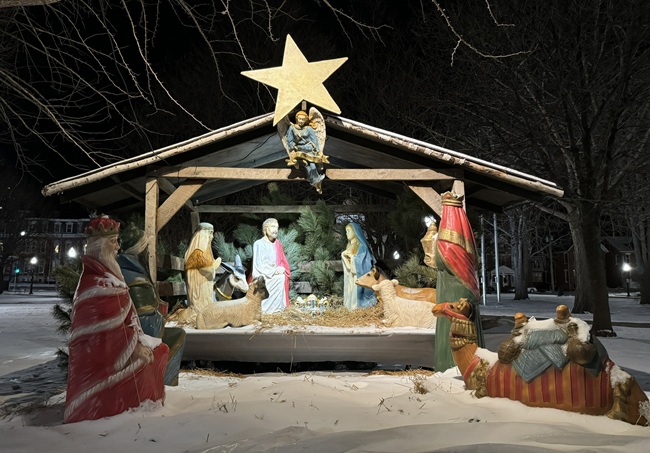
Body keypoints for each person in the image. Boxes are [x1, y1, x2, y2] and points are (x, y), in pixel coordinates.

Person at [64, 216, 169, 424]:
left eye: (117, 241)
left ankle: (147, 402)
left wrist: (139, 340)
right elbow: (105, 332)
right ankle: (129, 407)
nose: (117, 247)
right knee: (149, 359)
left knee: (161, 350)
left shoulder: (111, 274)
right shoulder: (96, 283)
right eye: (113, 242)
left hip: (122, 347)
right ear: (100, 247)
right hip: (103, 362)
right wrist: (135, 348)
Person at [117, 223, 186, 386]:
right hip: (138, 334)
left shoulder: (127, 269)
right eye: (146, 247)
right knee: (178, 335)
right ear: (140, 249)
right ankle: (164, 381)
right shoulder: (135, 278)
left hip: (132, 329)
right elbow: (144, 317)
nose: (148, 251)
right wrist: (162, 320)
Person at [423, 192, 485, 373]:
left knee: (453, 328)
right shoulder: (465, 241)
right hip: (461, 292)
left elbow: (437, 261)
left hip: (453, 295)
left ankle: (451, 367)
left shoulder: (447, 242)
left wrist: (431, 241)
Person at [252, 218, 291, 313]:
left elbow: (282, 261)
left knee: (281, 277)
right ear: (265, 229)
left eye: (277, 227)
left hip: (274, 273)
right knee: (279, 278)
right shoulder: (258, 244)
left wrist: (281, 269)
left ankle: (277, 309)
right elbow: (259, 264)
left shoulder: (277, 244)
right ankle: (265, 309)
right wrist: (274, 271)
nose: (275, 230)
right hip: (263, 274)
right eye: (273, 227)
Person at [184, 222, 221, 312]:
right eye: (210, 233)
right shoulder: (198, 251)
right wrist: (214, 266)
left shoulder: (204, 250)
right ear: (202, 234)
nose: (212, 237)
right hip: (199, 287)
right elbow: (206, 270)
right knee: (201, 308)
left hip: (204, 285)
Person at [286, 110, 325, 193]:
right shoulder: (292, 128)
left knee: (313, 167)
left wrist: (319, 151)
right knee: (307, 167)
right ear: (296, 119)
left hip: (309, 151)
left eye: (303, 119)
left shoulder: (309, 129)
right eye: (300, 119)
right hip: (299, 152)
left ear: (306, 120)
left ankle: (315, 181)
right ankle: (315, 182)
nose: (301, 121)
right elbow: (289, 140)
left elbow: (314, 140)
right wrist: (292, 148)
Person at [341, 222, 377, 310]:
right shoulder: (349, 246)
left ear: (355, 232)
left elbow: (364, 262)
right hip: (350, 276)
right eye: (346, 231)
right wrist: (344, 256)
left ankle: (357, 309)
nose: (347, 234)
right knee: (350, 292)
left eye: (349, 231)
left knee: (356, 294)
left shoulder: (362, 247)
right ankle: (350, 309)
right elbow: (348, 266)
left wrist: (351, 257)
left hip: (358, 276)